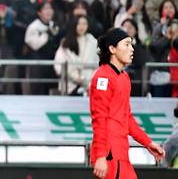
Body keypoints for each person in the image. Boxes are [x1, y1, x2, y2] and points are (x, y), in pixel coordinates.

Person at [90, 28, 166, 179]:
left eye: (131, 45)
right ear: (112, 49)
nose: (132, 49)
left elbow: (127, 118)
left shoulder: (124, 77)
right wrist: (100, 156)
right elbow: (99, 119)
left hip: (121, 153)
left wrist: (148, 143)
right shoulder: (102, 78)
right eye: (127, 44)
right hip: (109, 154)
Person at [53, 15, 98, 95]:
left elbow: (98, 64)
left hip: (89, 85)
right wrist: (76, 78)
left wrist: (90, 80)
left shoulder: (93, 42)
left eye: (84, 24)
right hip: (70, 84)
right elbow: (59, 63)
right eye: (79, 24)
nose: (82, 27)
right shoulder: (66, 43)